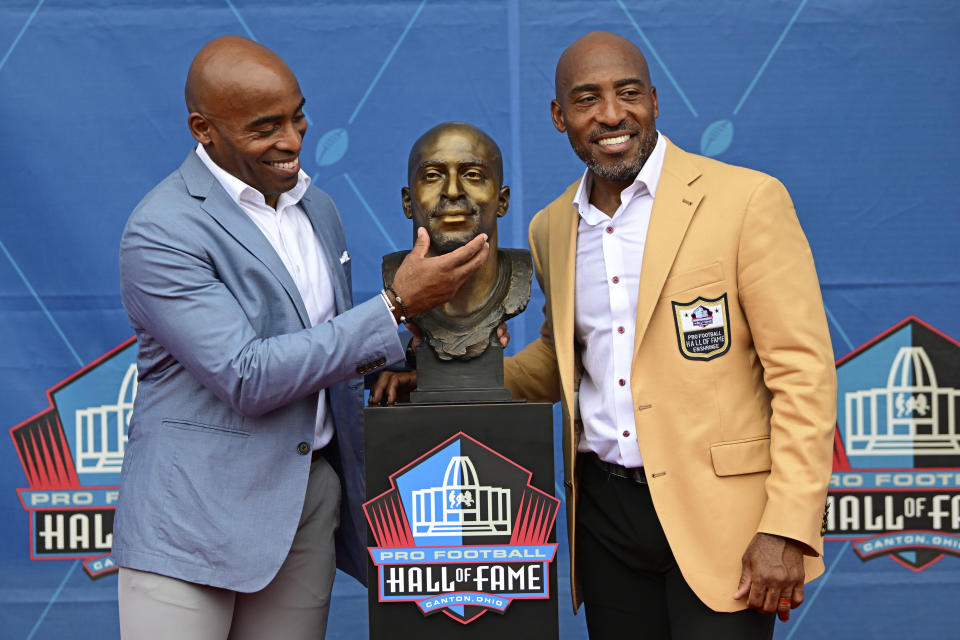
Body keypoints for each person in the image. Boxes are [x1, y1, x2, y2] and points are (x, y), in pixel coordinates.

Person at [114, 36, 489, 640]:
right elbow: (246, 375)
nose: (292, 140)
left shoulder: (318, 207)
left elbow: (319, 345)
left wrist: (395, 356)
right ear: (203, 129)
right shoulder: (162, 230)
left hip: (306, 500)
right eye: (266, 128)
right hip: (193, 520)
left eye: (298, 116)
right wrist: (393, 306)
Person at [502, 31, 837, 639]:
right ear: (559, 117)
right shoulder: (551, 225)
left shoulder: (745, 200)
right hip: (604, 519)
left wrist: (787, 526)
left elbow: (803, 376)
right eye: (586, 99)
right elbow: (564, 358)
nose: (611, 114)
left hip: (723, 524)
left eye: (627, 93)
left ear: (654, 101)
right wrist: (446, 375)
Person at [381, 122, 531, 361]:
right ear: (407, 202)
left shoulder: (519, 275)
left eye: (472, 175)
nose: (452, 191)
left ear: (502, 201)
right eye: (432, 176)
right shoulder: (394, 280)